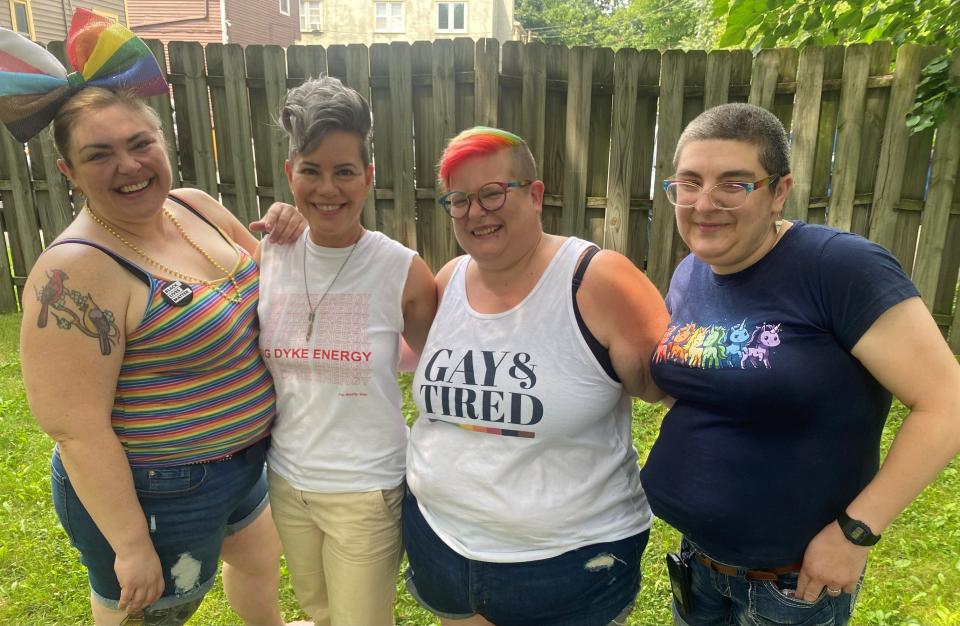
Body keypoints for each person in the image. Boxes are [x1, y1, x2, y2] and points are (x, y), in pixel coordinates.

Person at [12, 11, 305, 626]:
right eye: (99, 155)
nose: (129, 165)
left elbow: (279, 298)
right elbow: (75, 428)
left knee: (256, 559)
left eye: (139, 144)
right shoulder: (76, 272)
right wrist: (130, 545)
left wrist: (291, 233)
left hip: (242, 461)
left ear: (163, 143)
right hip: (156, 494)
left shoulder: (193, 209)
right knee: (148, 613)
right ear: (68, 173)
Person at [642, 102, 960, 626]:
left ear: (779, 192)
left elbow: (944, 404)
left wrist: (856, 533)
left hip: (791, 587)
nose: (704, 203)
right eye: (690, 182)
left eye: (734, 184)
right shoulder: (690, 273)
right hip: (699, 566)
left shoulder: (839, 267)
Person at [403, 126, 670, 626]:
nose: (476, 212)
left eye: (492, 193)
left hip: (566, 565)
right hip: (441, 541)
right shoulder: (449, 280)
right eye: (459, 200)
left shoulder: (598, 281)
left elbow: (674, 393)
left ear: (536, 195)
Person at [256, 76, 437, 626]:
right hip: (287, 481)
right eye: (311, 170)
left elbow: (440, 378)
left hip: (366, 490)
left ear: (369, 178)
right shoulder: (268, 252)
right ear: (291, 174)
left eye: (344, 172)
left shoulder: (401, 270)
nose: (327, 188)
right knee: (318, 611)